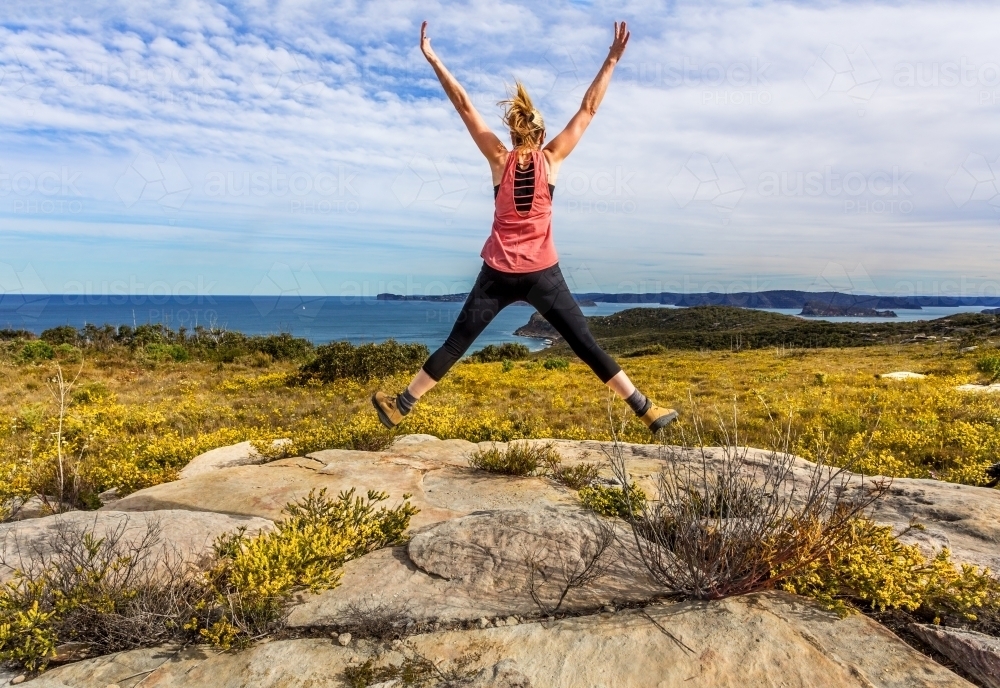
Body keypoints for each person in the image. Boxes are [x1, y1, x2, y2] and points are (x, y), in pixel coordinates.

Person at [373, 20, 677, 435]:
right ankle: (645, 409)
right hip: (542, 275)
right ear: (541, 132)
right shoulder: (552, 159)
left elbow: (463, 105)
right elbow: (588, 110)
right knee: (585, 345)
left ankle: (401, 405)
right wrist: (611, 59)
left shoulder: (498, 158)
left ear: (513, 132)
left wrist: (433, 58)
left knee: (455, 344)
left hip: (496, 274)